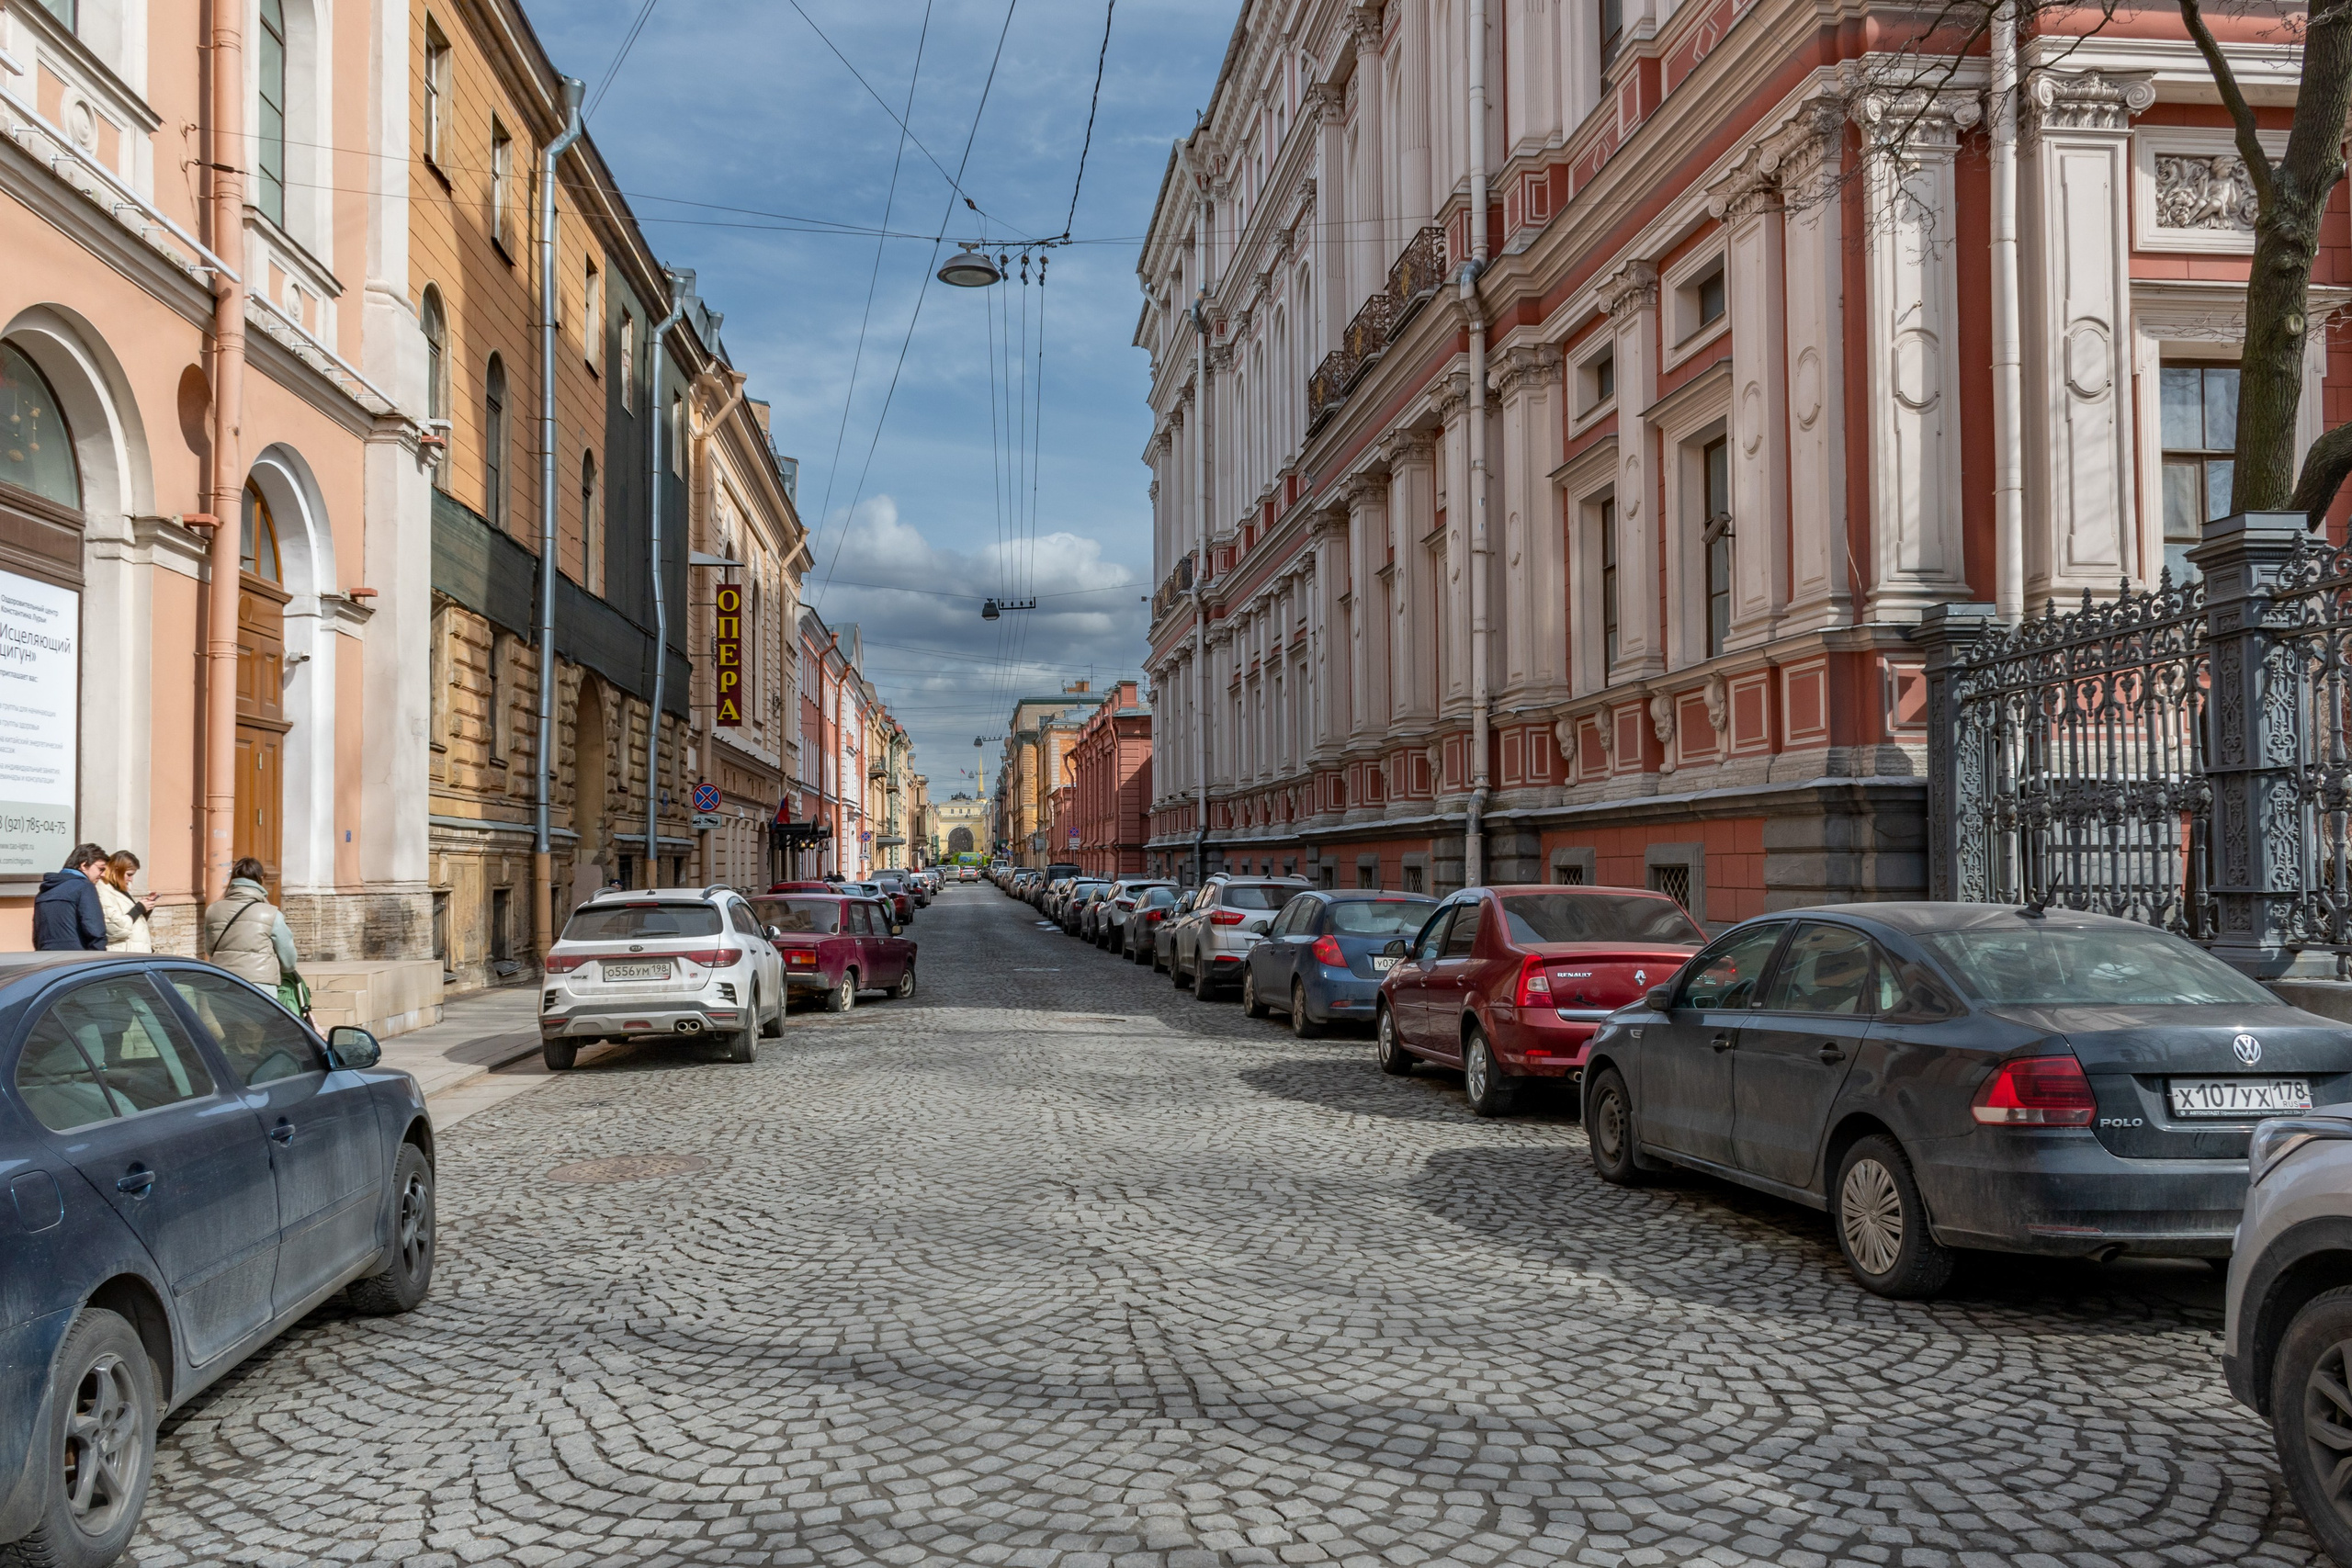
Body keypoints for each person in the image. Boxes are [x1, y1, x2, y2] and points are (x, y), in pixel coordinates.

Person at [203, 858, 303, 1014]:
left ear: (233, 880)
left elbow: (210, 949)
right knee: (261, 1036)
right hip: (260, 989)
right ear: (260, 879)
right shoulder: (271, 913)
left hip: (222, 984)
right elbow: (289, 960)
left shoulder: (213, 910)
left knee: (230, 1036)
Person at [32, 843, 108, 951]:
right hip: (76, 961)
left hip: (47, 960)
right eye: (101, 869)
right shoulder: (84, 887)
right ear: (84, 865)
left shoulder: (44, 892)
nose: (103, 874)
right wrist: (97, 959)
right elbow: (95, 930)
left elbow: (37, 936)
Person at [97, 850, 153, 953]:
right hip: (122, 955)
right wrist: (139, 908)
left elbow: (131, 922)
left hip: (133, 953)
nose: (131, 879)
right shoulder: (103, 890)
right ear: (117, 870)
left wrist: (144, 910)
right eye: (129, 874)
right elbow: (115, 929)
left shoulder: (119, 889)